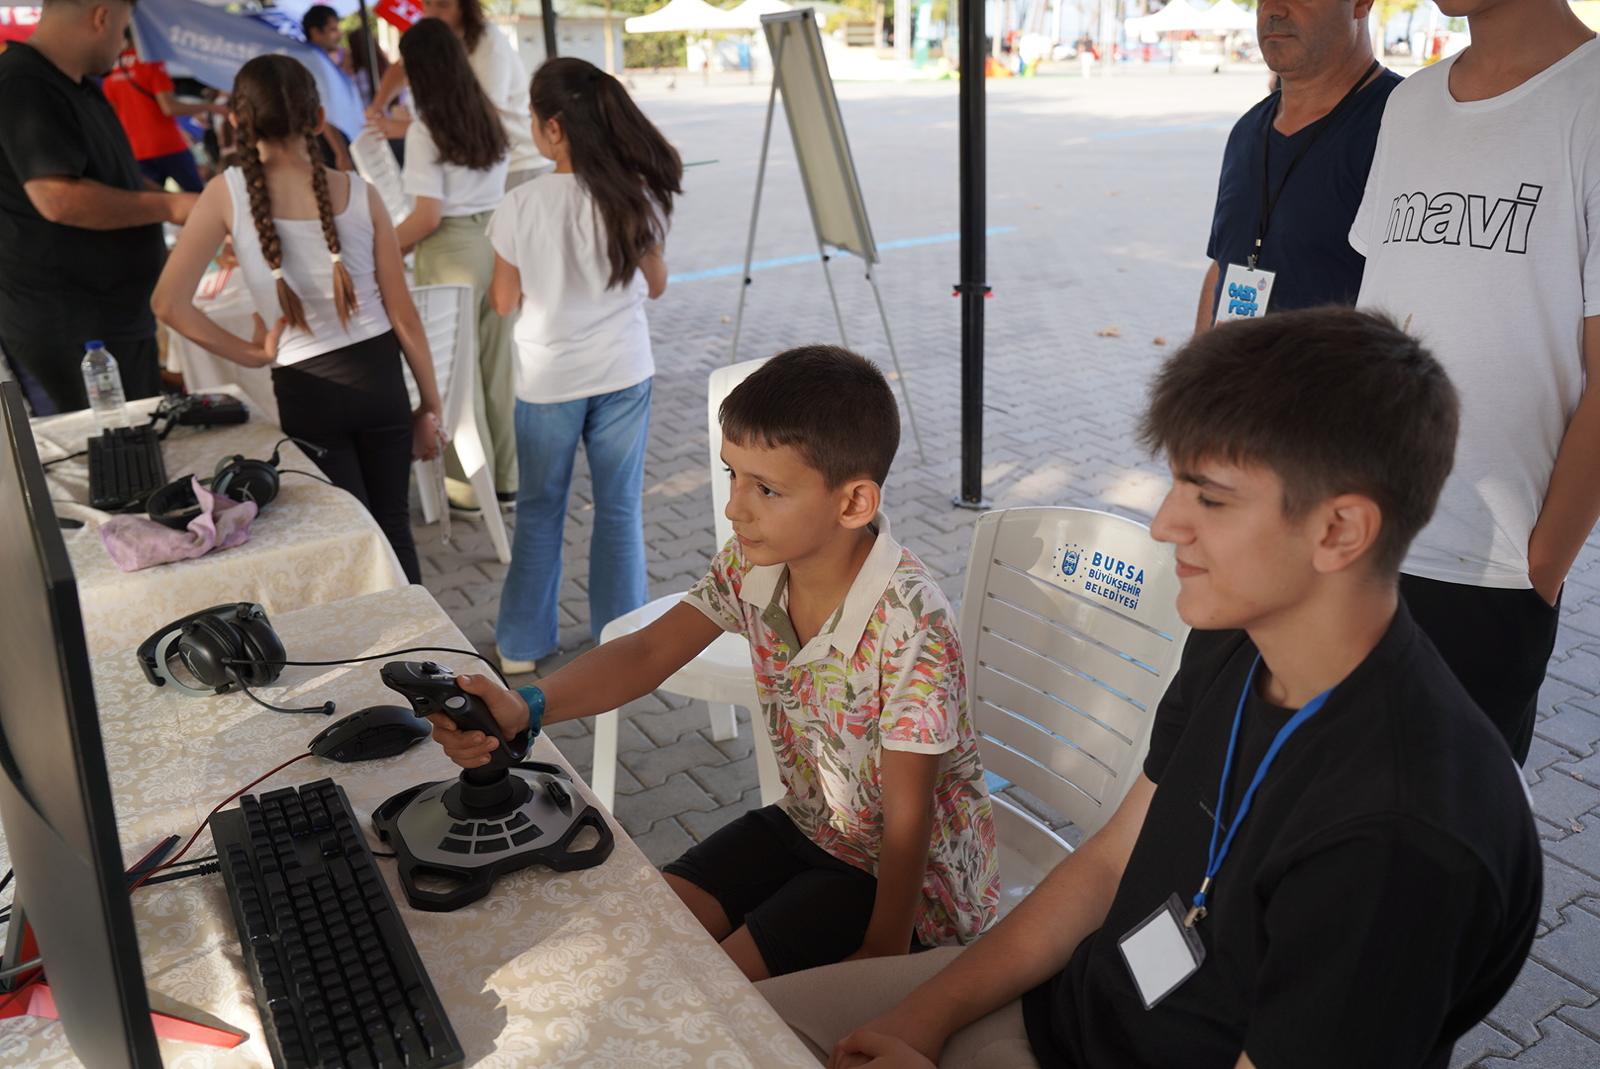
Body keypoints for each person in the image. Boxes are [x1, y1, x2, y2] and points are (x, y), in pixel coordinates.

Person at [756, 310, 1541, 1069]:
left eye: (1210, 497)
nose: (1165, 524)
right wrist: (917, 1019)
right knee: (748, 1025)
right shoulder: (1240, 633)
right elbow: (1108, 865)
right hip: (1062, 1012)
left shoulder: (1401, 838)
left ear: (1340, 529)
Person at [424, 346, 1001, 982]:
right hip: (808, 823)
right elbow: (648, 651)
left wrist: (882, 955)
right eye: (733, 475)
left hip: (905, 888)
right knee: (652, 936)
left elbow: (909, 820)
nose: (734, 508)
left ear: (854, 503)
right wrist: (527, 705)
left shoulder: (911, 622)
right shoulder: (752, 563)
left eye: (766, 489)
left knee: (715, 986)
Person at [1349, 0, 1598, 764]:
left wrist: (1541, 564)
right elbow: (1379, 311)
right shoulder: (1410, 103)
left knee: (1446, 853)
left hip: (1487, 570)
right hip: (1357, 536)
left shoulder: (1589, 98)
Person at [151, 54, 445, 584]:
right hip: (380, 380)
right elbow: (404, 316)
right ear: (317, 118)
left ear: (238, 122)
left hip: (307, 391)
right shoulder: (361, 192)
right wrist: (430, 404)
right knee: (394, 529)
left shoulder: (226, 192)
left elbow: (168, 303)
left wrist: (252, 354)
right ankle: (428, 661)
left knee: (352, 541)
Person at [487, 56, 679, 673]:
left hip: (547, 381)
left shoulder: (522, 202)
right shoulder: (631, 194)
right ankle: (623, 641)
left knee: (541, 509)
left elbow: (502, 300)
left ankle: (520, 645)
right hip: (623, 371)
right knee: (619, 508)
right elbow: (656, 286)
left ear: (553, 129)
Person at [0, 0, 194, 415]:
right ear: (101, 16)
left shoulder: (78, 84)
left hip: (112, 317)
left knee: (144, 446)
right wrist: (169, 205)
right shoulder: (24, 83)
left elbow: (115, 178)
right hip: (73, 329)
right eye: (125, 27)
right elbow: (57, 197)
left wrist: (187, 204)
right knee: (118, 461)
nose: (124, 41)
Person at [1195, 0, 1399, 333]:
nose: (1274, 9)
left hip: (1343, 382)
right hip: (1232, 380)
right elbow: (1222, 265)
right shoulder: (1248, 131)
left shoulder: (1403, 127)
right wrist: (1194, 377)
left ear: (1361, 4)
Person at [393, 18, 516, 506]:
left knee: (455, 376)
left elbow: (426, 217)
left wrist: (379, 249)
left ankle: (468, 491)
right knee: (497, 370)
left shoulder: (427, 130)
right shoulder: (489, 114)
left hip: (450, 250)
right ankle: (506, 481)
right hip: (496, 243)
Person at [365, 0, 544, 189]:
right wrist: (377, 106)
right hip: (478, 164)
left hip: (516, 163)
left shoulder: (488, 41)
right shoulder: (437, 38)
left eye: (443, 5)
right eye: (427, 4)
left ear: (464, 7)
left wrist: (408, 129)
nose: (432, 13)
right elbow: (403, 67)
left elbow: (483, 115)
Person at [102, 30, 224, 194]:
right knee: (197, 199)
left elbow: (113, 116)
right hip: (168, 145)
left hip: (136, 150)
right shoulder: (151, 63)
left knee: (151, 206)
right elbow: (169, 107)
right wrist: (209, 107)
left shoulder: (110, 71)